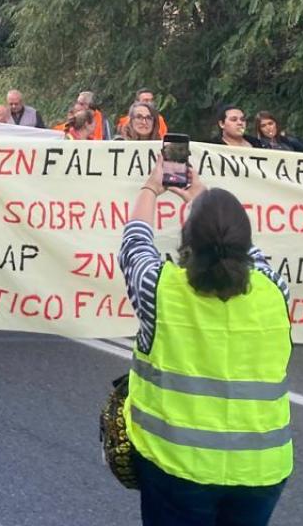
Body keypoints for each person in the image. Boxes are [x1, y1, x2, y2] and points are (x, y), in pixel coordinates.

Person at [121, 171, 292, 525]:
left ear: (187, 240)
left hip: (179, 467)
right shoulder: (275, 289)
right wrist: (201, 197)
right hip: (261, 469)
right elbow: (248, 254)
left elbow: (134, 244)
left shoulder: (158, 289)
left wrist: (152, 187)